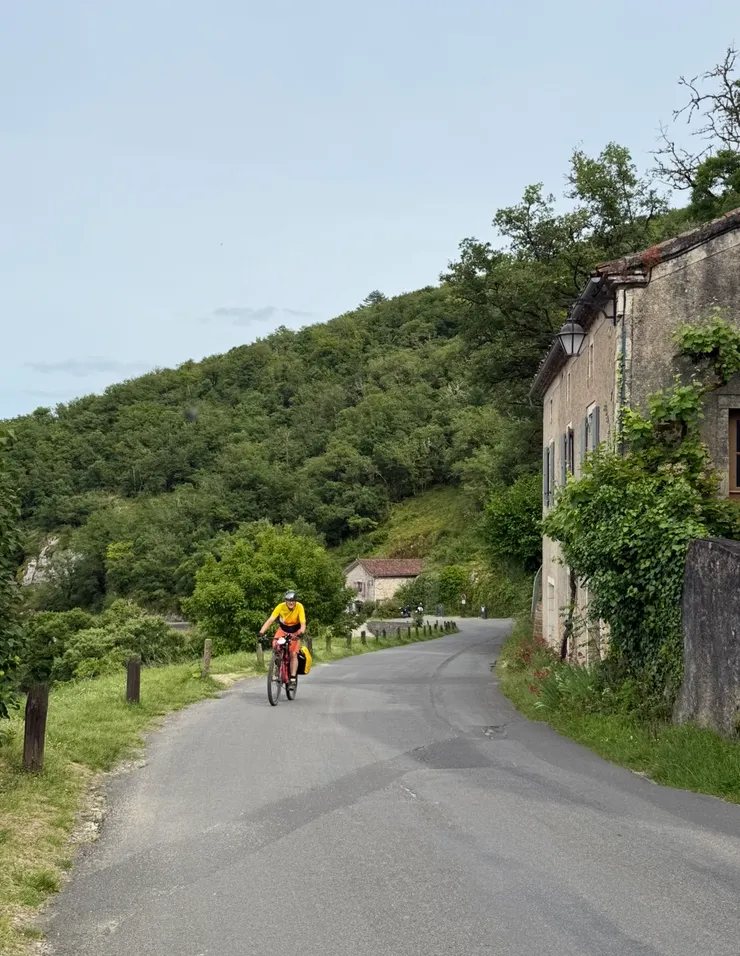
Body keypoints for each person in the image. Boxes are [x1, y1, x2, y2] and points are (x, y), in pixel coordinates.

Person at [259, 590, 306, 689]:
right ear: (285, 600)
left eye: (293, 600)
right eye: (289, 600)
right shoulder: (280, 607)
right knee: (275, 645)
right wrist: (261, 632)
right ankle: (278, 663)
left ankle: (292, 679)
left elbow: (302, 623)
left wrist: (300, 633)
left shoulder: (299, 606)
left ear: (296, 601)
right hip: (283, 630)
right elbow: (270, 620)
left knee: (293, 654)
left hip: (295, 631)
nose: (291, 602)